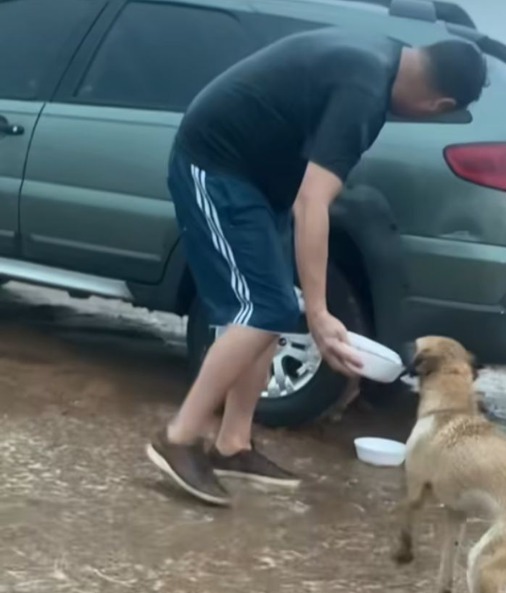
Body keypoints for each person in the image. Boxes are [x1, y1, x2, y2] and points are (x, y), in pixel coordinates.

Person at [146, 28, 487, 506]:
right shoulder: (365, 92)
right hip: (214, 165)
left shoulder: (383, 57)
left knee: (272, 309)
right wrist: (322, 314)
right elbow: (313, 204)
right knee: (262, 309)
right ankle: (179, 437)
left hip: (256, 184)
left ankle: (232, 444)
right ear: (439, 104)